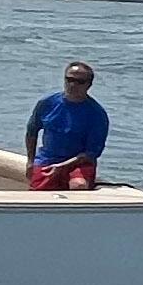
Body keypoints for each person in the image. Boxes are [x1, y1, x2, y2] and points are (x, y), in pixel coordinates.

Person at [23, 60, 109, 191]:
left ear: (89, 84)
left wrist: (62, 166)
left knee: (78, 185)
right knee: (38, 194)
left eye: (79, 82)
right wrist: (30, 161)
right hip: (47, 160)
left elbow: (91, 153)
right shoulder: (46, 103)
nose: (73, 85)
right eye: (69, 79)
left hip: (78, 164)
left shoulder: (97, 114)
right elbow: (32, 132)